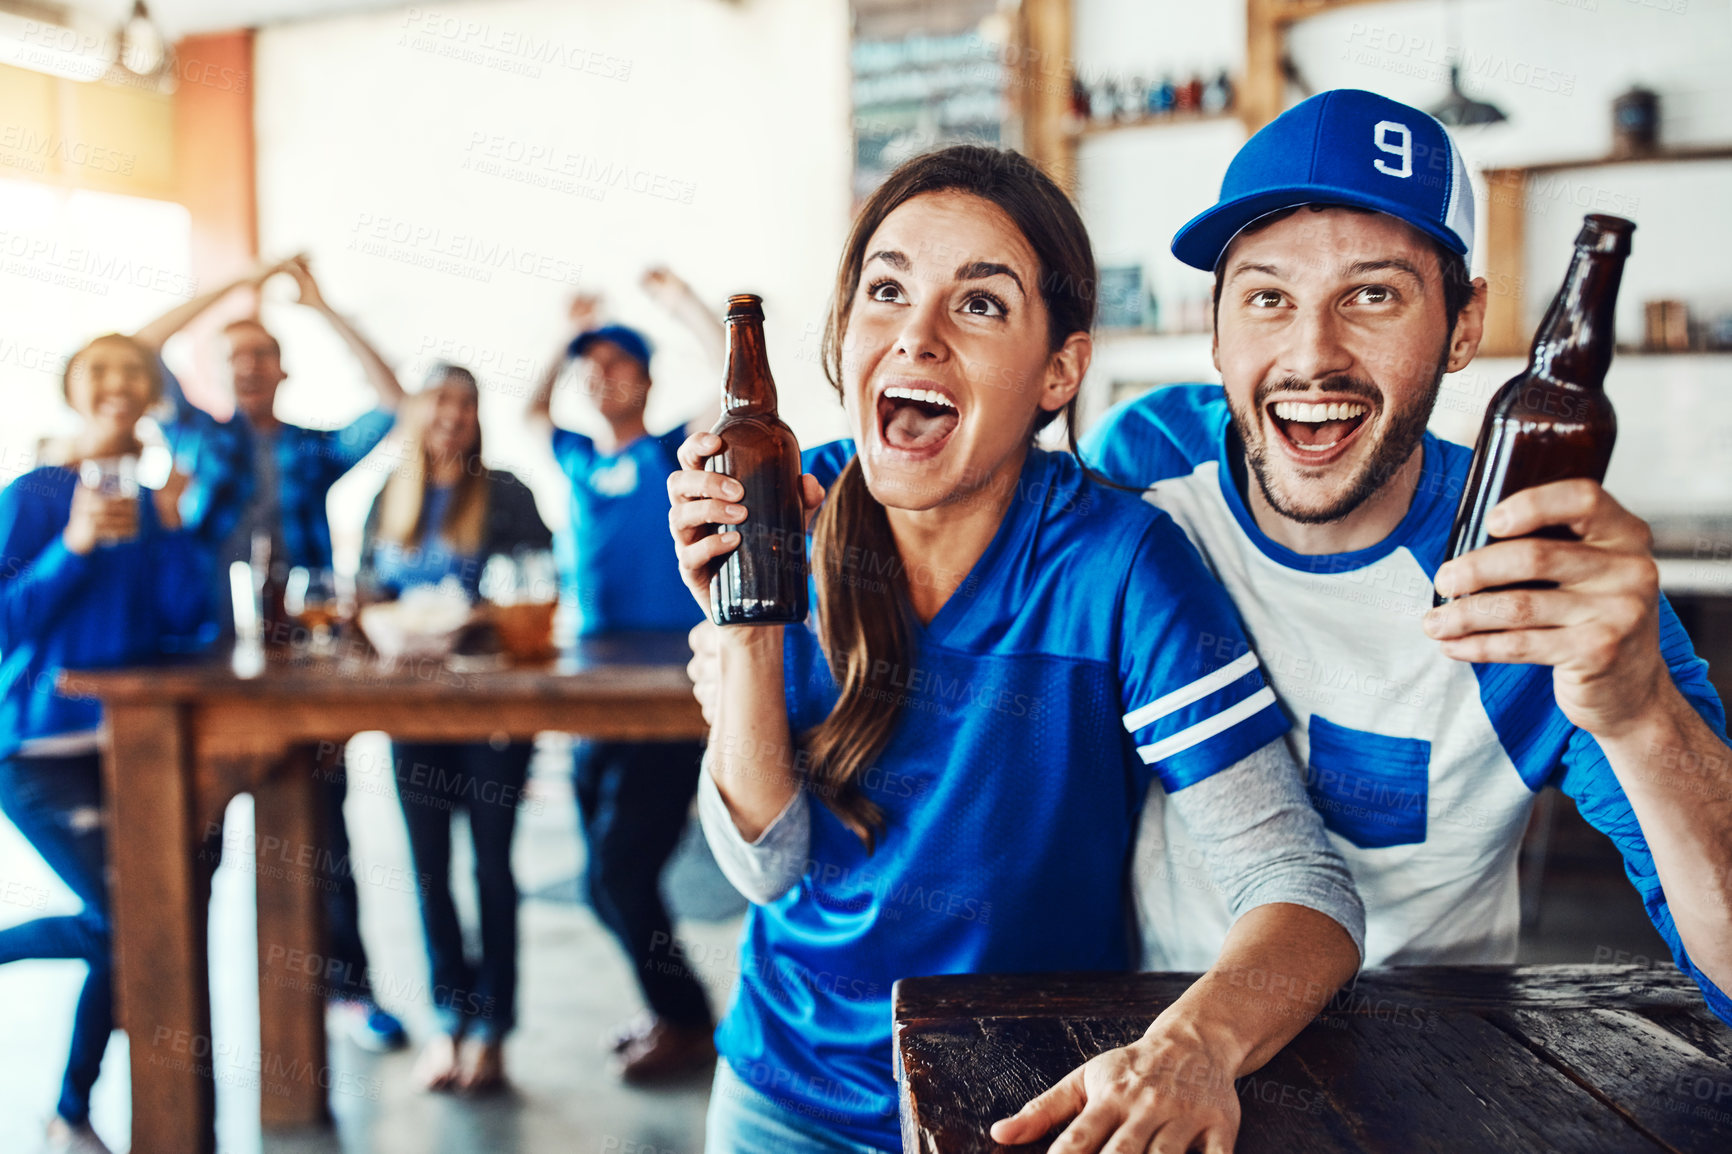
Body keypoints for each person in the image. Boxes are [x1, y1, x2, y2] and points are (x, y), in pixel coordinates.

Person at [669, 145, 1366, 1154]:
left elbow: (1302, 887)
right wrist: (745, 632)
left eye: (979, 304)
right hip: (783, 1094)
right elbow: (764, 866)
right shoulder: (785, 508)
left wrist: (1196, 1044)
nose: (916, 336)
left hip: (1024, 1108)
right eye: (886, 291)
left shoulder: (1117, 565)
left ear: (1060, 370)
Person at [1078, 89, 1732, 1022]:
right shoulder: (1141, 464)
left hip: (1424, 1067)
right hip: (1153, 1032)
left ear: (1464, 326)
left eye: (1373, 295)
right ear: (1216, 330)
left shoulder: (1537, 566)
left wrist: (1642, 713)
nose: (1314, 355)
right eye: (1268, 296)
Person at [132, 256, 414, 1051]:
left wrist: (322, 305)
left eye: (264, 353)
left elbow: (395, 403)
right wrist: (241, 282)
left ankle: (347, 992)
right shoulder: (195, 434)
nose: (251, 365)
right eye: (237, 356)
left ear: (284, 370)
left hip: (302, 662)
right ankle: (179, 1002)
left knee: (325, 833)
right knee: (199, 837)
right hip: (205, 658)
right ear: (223, 371)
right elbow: (135, 346)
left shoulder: (313, 449)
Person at [0, 334, 210, 1154]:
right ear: (72, 391)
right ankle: (68, 1108)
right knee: (139, 919)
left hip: (134, 750)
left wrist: (177, 532)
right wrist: (74, 546)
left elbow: (186, 624)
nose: (120, 384)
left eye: (135, 370)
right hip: (35, 755)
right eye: (101, 370)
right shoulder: (34, 493)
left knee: (132, 924)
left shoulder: (157, 500)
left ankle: (67, 1111)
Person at [526, 270, 725, 1083]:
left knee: (619, 870)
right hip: (589, 691)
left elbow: (726, 373)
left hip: (665, 692)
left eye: (616, 364)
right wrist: (562, 331)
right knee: (607, 877)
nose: (600, 378)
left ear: (645, 379)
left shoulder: (669, 451)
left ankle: (687, 1019)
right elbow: (531, 412)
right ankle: (668, 1007)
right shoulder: (575, 458)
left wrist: (678, 302)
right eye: (589, 368)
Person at [357, 364, 552, 1092]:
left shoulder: (506, 494)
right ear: (416, 414)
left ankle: (493, 1030)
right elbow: (367, 590)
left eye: (467, 403)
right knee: (427, 869)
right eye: (441, 402)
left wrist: (479, 618)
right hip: (412, 706)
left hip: (494, 705)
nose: (454, 415)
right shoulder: (390, 496)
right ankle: (450, 1021)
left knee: (492, 868)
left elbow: (542, 585)